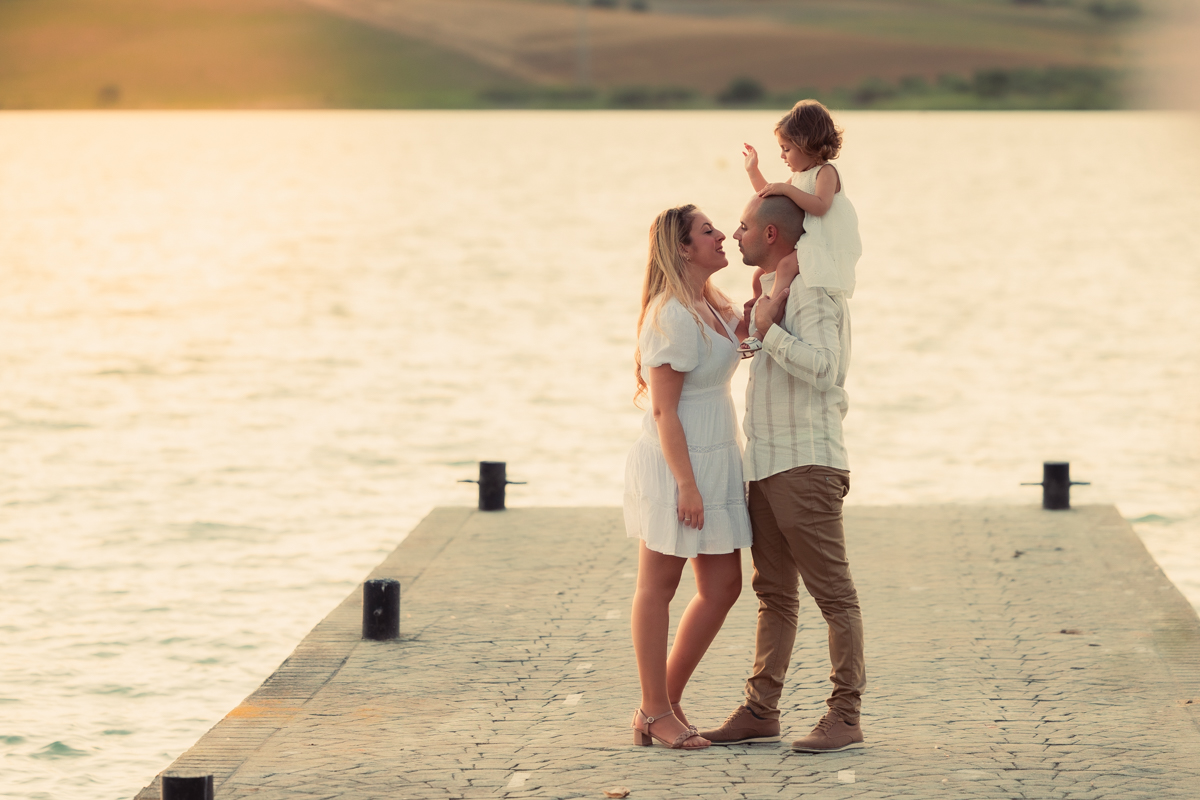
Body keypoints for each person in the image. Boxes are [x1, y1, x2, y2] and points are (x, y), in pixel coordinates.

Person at [699, 193, 866, 753]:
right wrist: (759, 320)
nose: (734, 233)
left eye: (742, 226)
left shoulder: (816, 290)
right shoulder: (771, 289)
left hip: (808, 463)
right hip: (766, 464)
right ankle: (760, 711)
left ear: (771, 235)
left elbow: (826, 370)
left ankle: (845, 716)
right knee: (773, 594)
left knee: (834, 596)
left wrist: (769, 329)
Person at [622, 205, 753, 750]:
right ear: (682, 249)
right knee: (659, 584)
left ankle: (659, 705)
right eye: (707, 231)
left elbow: (744, 340)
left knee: (723, 586)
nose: (721, 234)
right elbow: (663, 411)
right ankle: (656, 710)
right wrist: (687, 485)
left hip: (717, 453)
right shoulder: (671, 314)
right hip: (678, 462)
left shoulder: (711, 303)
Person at [739, 99, 861, 336]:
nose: (782, 156)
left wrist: (787, 189)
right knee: (758, 275)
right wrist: (753, 170)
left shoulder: (826, 172)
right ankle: (756, 313)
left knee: (784, 266)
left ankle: (764, 327)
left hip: (821, 244)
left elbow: (820, 206)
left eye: (787, 149)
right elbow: (770, 200)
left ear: (808, 144)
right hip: (804, 242)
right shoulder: (797, 178)